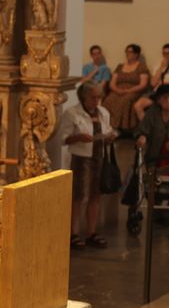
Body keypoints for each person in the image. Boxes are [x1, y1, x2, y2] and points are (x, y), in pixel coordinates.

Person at [62, 84, 116, 250]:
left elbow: (108, 130)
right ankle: (73, 232)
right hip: (81, 158)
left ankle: (91, 231)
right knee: (79, 196)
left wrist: (110, 137)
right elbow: (63, 139)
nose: (97, 101)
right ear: (83, 97)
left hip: (99, 156)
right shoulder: (71, 113)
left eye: (99, 97)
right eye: (93, 97)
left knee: (95, 195)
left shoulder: (103, 112)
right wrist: (78, 137)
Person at [101, 43, 150, 132]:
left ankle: (118, 128)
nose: (127, 54)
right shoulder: (120, 66)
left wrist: (127, 90)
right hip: (118, 90)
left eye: (130, 52)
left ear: (136, 54)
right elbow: (112, 83)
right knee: (108, 101)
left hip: (134, 91)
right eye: (126, 52)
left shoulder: (141, 67)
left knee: (124, 102)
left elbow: (143, 84)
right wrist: (117, 90)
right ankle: (105, 127)